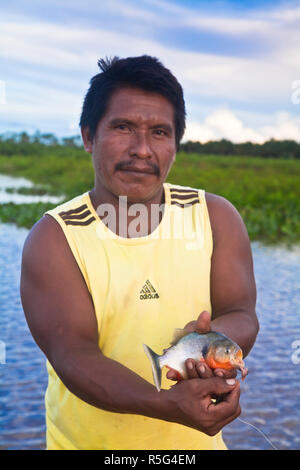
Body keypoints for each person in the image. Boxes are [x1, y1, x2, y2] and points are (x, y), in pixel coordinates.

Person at [20, 55, 259, 450]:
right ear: (88, 136)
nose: (143, 150)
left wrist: (208, 351)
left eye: (160, 132)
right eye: (123, 127)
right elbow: (75, 355)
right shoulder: (54, 238)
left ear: (176, 145)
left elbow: (242, 313)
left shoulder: (216, 217)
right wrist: (166, 403)